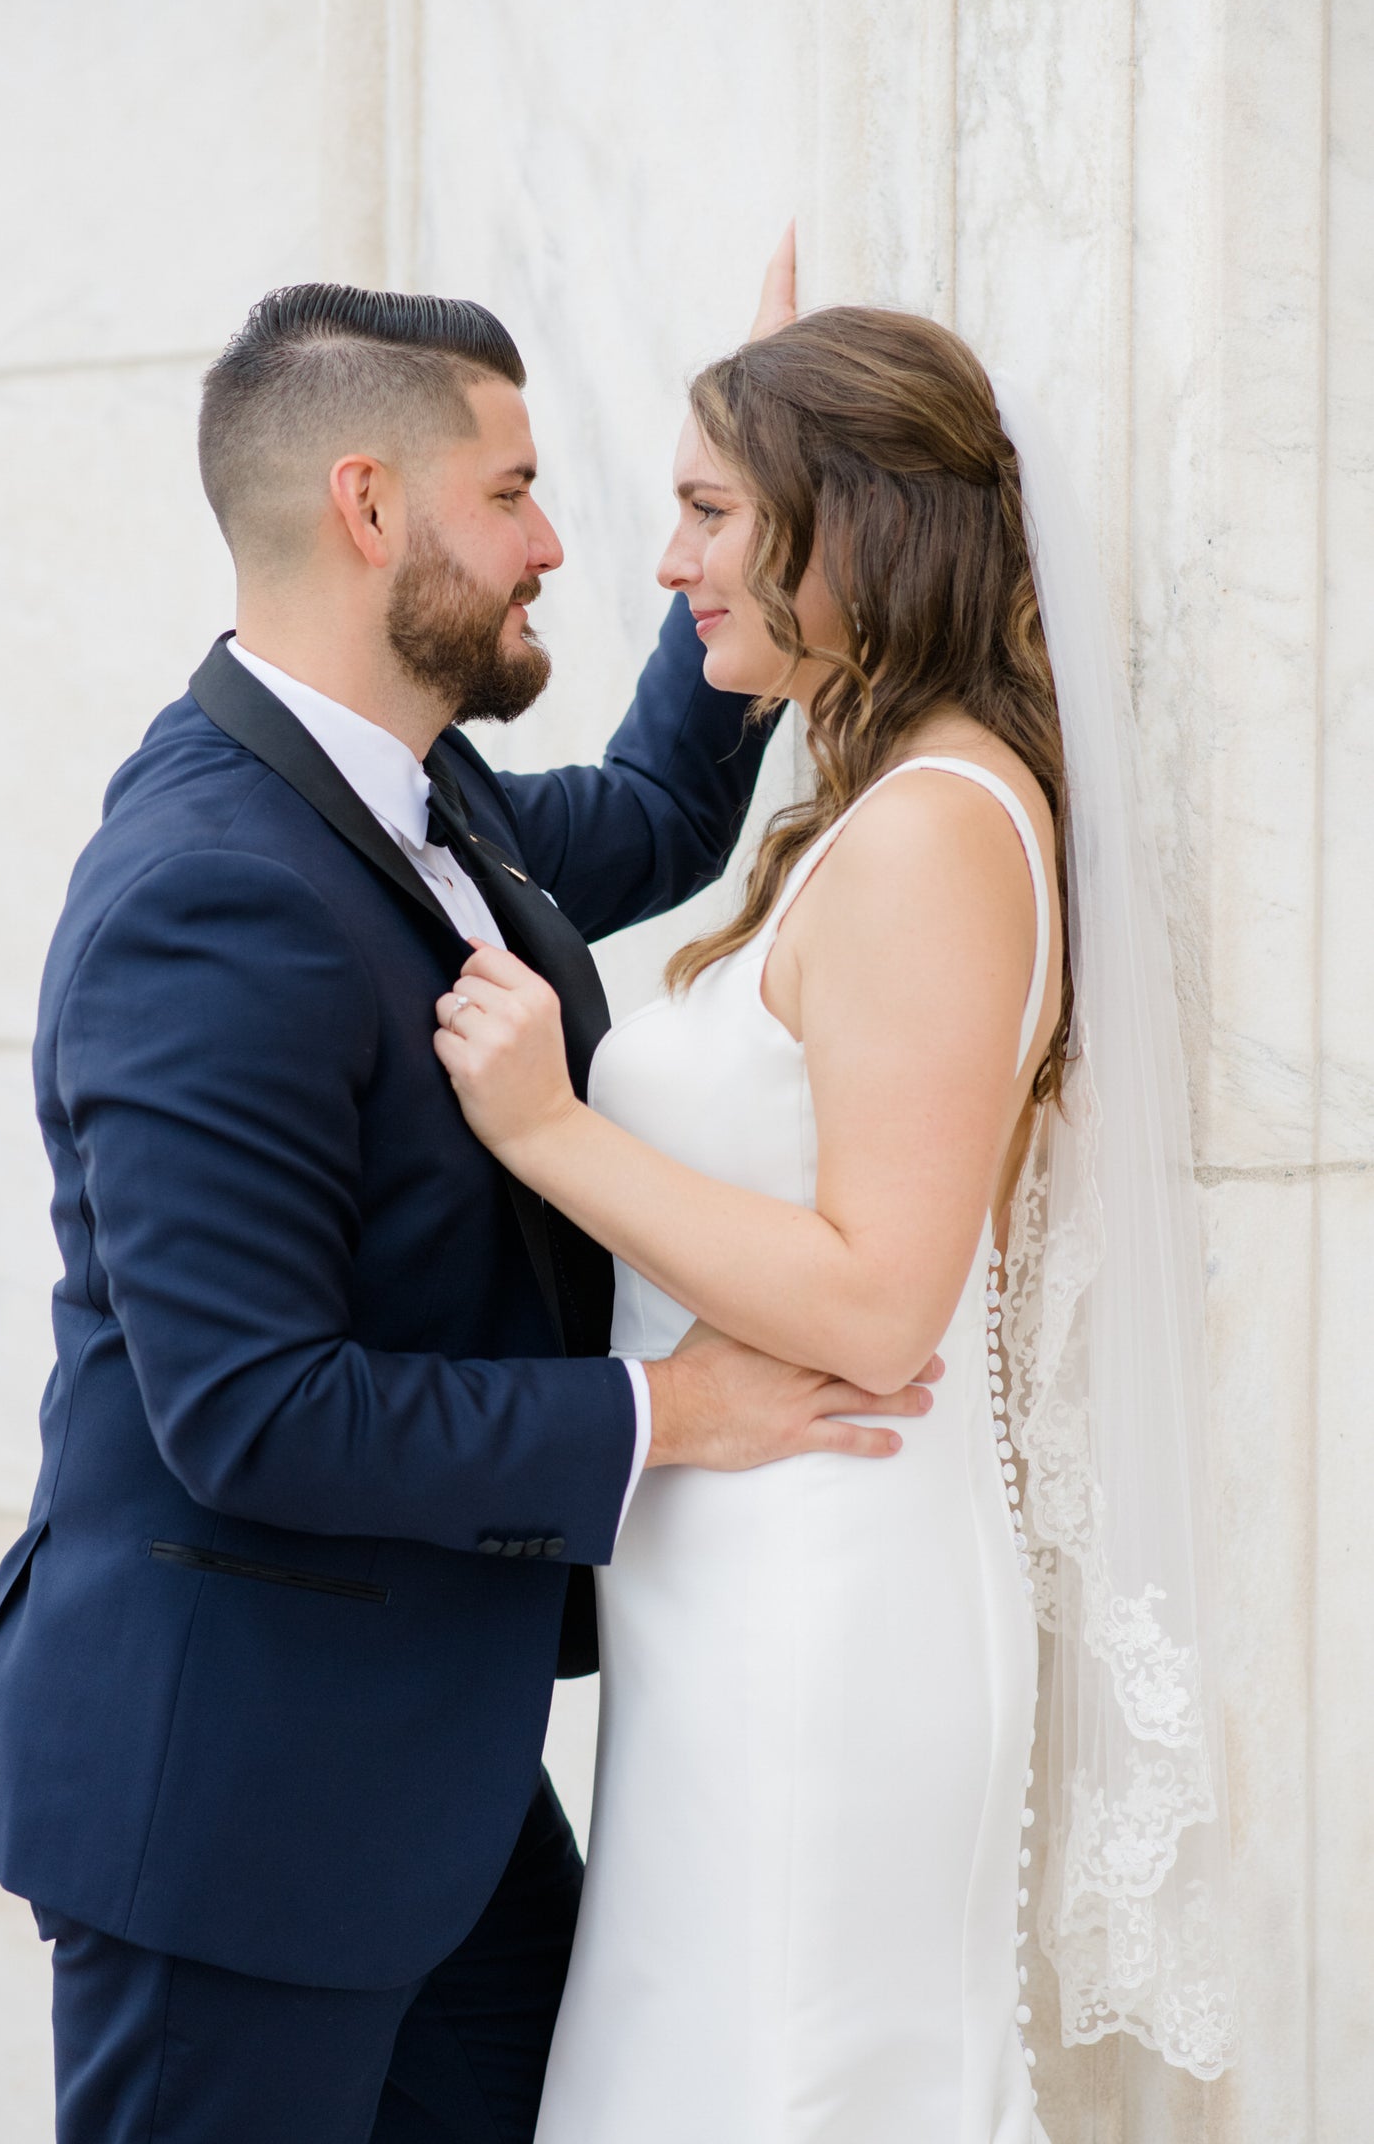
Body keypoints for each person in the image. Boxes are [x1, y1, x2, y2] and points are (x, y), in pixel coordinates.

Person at [0, 278, 938, 2144]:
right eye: (519, 491)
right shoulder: (208, 889)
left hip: (417, 1774)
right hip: (227, 1807)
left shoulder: (412, 791)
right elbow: (247, 1408)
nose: (563, 545)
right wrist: (670, 1412)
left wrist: (759, 530)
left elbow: (650, 810)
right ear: (370, 506)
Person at [435, 303, 1239, 2138]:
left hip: (826, 1598)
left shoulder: (940, 829)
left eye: (713, 510)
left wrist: (546, 1129)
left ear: (854, 525)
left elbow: (885, 1300)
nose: (667, 562)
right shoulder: (874, 804)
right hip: (732, 1601)